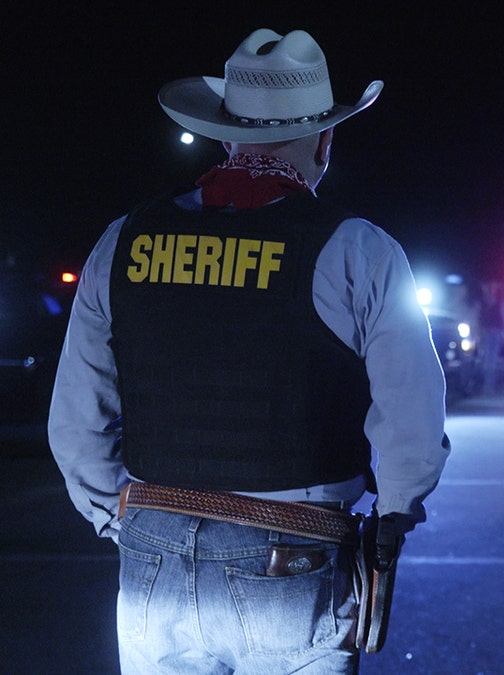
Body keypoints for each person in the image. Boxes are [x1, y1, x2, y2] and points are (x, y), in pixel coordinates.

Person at [47, 28, 450, 673]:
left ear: (226, 133)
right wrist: (395, 514)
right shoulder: (358, 250)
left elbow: (75, 421)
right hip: (294, 554)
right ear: (324, 140)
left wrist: (123, 519)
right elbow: (412, 416)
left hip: (152, 553)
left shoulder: (123, 241)